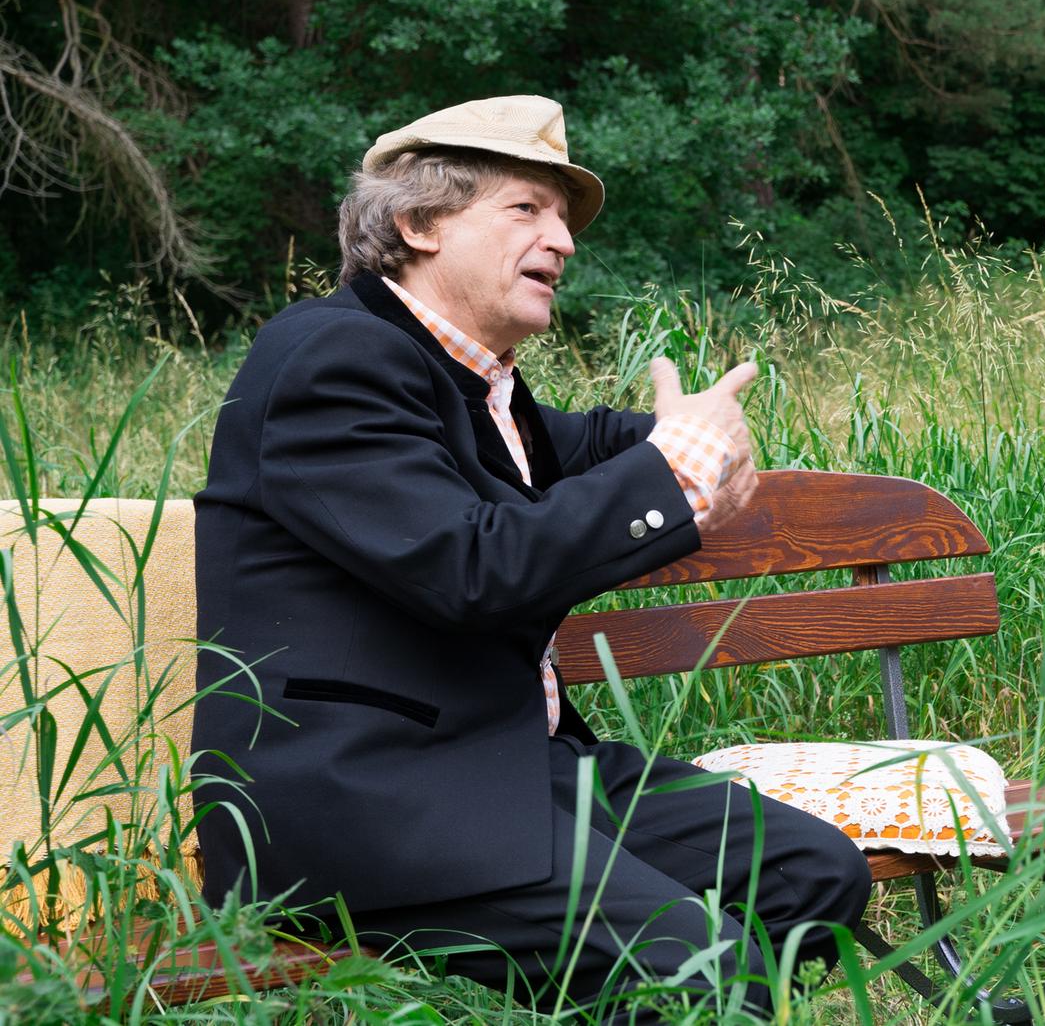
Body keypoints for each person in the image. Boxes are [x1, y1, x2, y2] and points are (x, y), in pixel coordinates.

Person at [190, 96, 870, 1019]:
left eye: (563, 218)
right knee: (703, 967)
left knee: (813, 873)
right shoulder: (330, 357)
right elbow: (469, 569)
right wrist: (673, 475)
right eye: (527, 209)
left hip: (507, 768)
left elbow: (579, 444)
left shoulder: (468, 383)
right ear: (418, 223)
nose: (564, 240)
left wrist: (682, 436)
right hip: (371, 803)